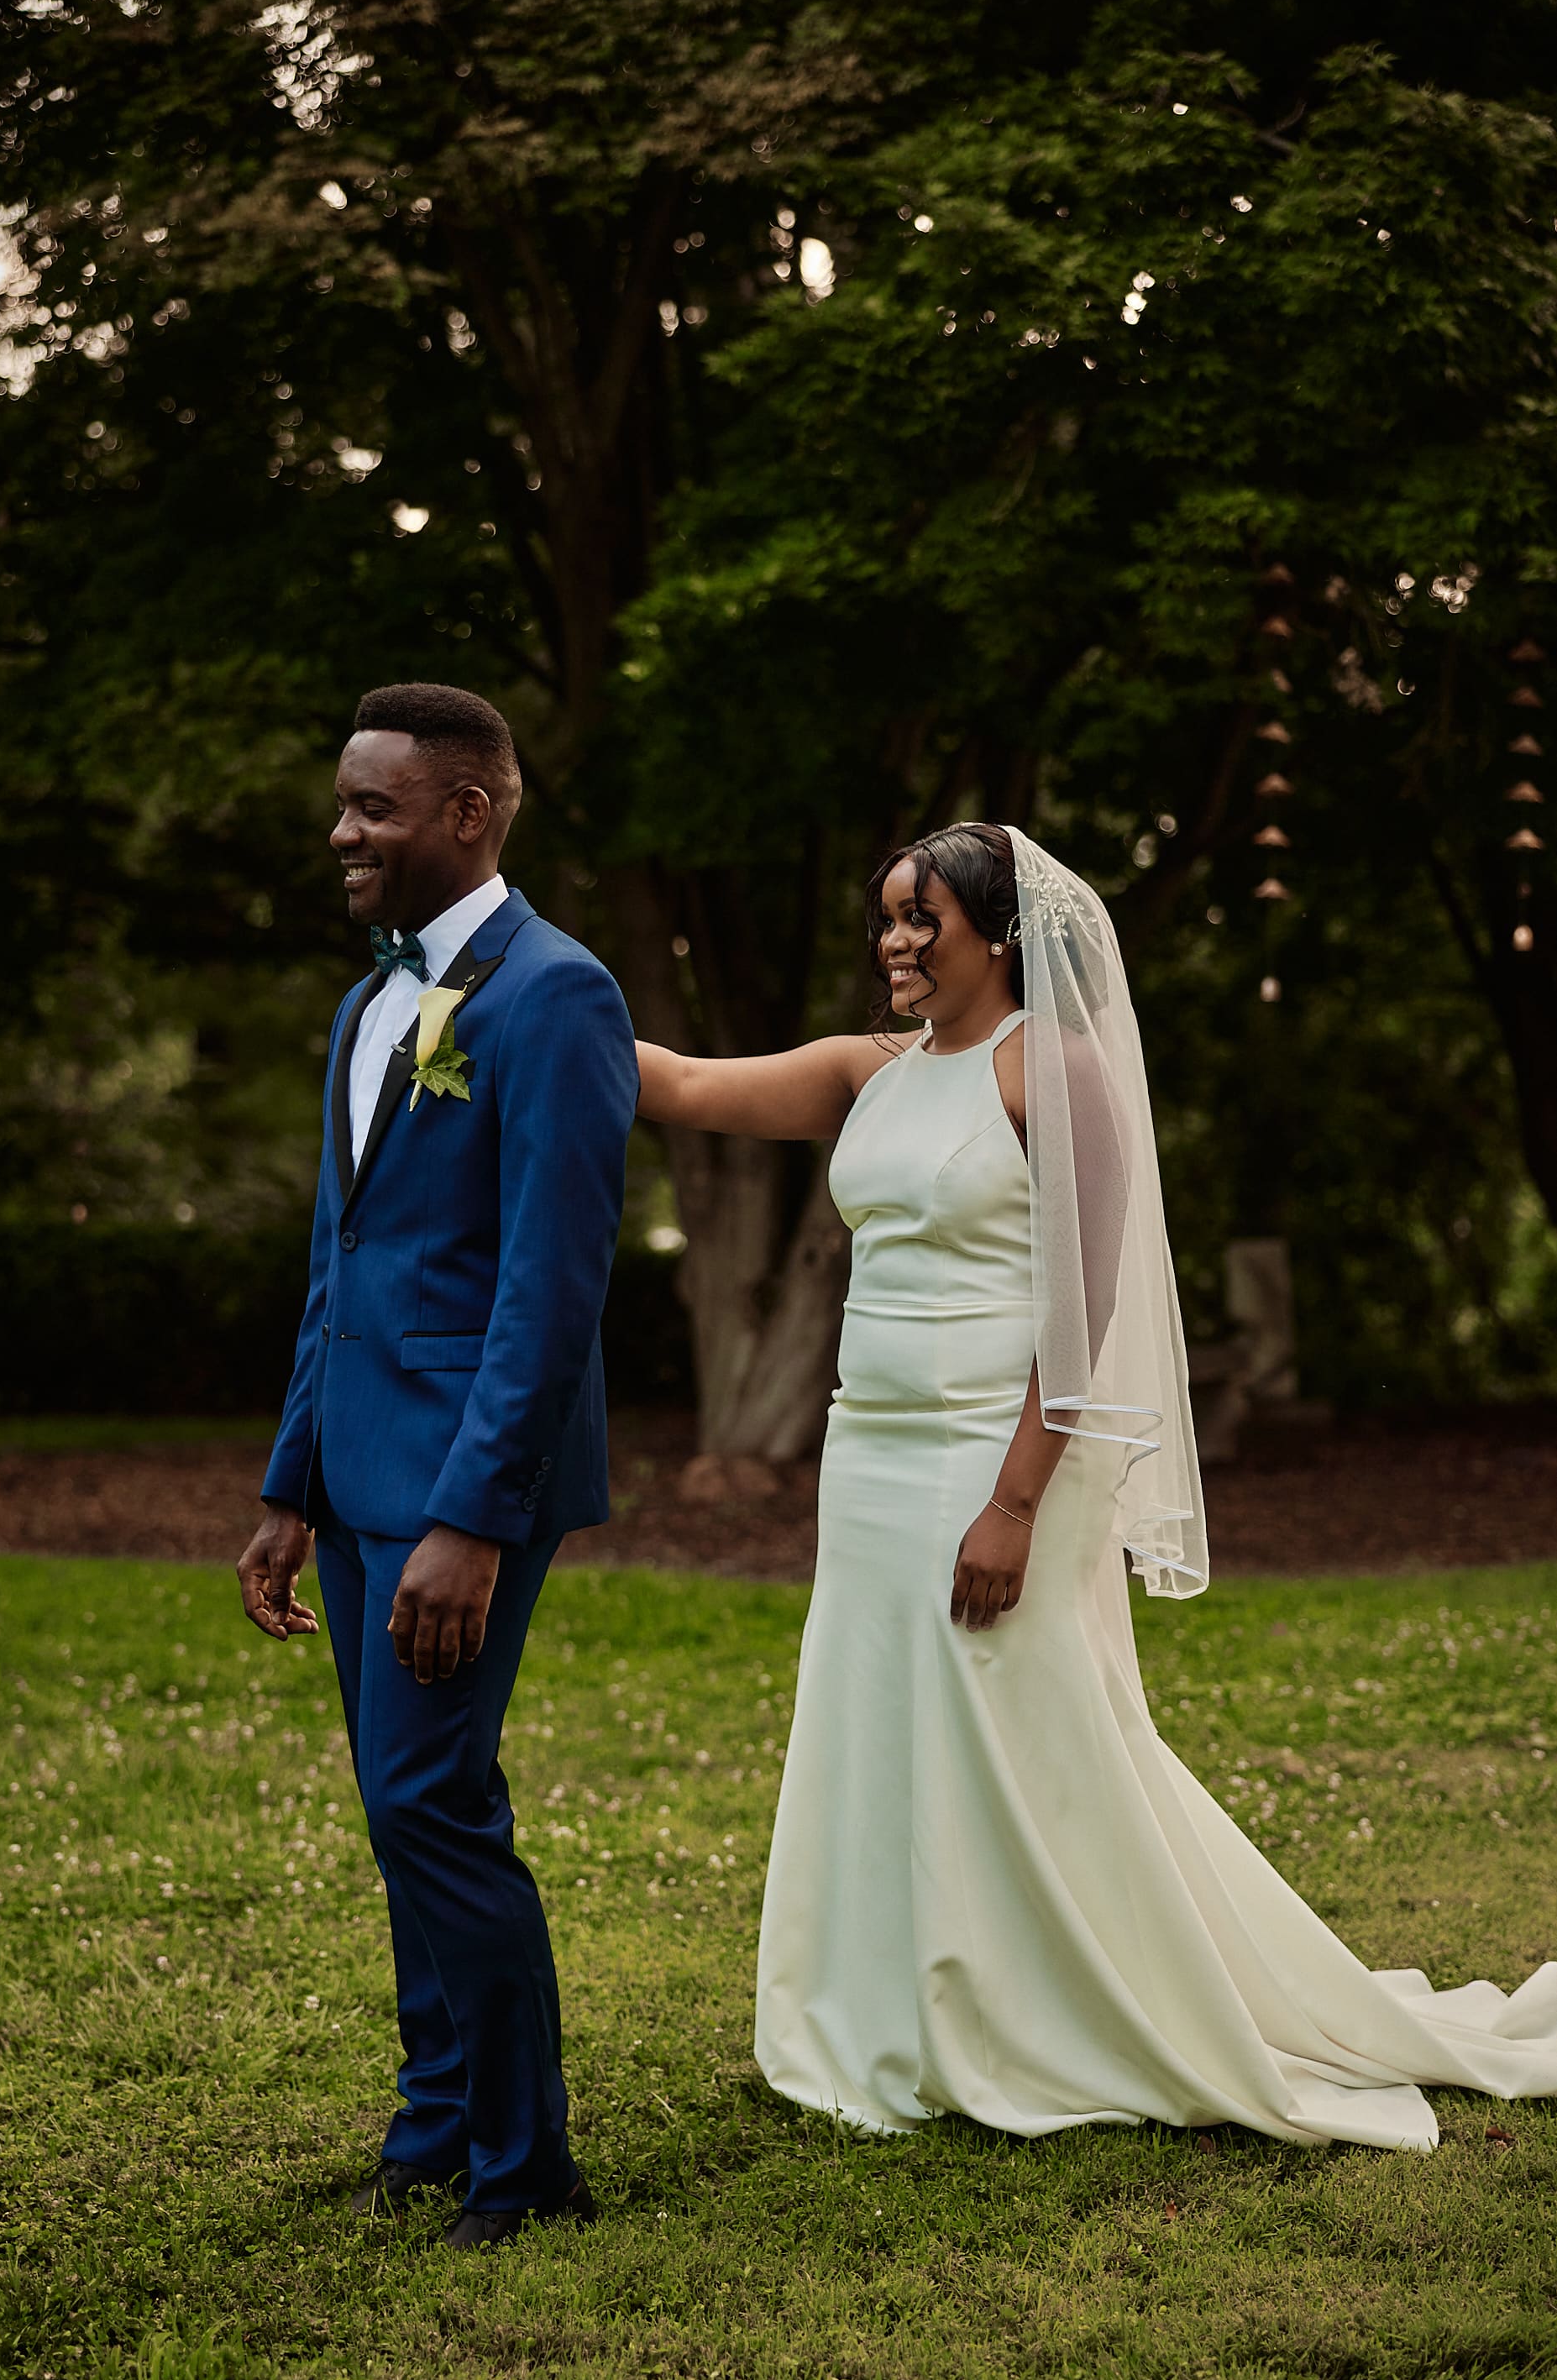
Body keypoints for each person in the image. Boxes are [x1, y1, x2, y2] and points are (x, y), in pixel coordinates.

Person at [636, 820, 1557, 2150]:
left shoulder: (1052, 1073)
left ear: (996, 937)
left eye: (922, 920)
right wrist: (507, 991)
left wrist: (1010, 1505)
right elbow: (673, 1081)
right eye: (887, 917)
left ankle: (1068, 2005)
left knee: (1029, 1735)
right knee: (884, 1721)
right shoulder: (869, 1070)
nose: (895, 941)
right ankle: (895, 2008)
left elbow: (1085, 1315)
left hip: (996, 1466)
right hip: (873, 1456)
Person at [238, 683, 636, 2241]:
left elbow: (553, 1285)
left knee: (429, 1801)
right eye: (344, 803)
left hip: (468, 1486)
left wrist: (472, 1517)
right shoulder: (364, 1005)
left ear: (467, 813)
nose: (342, 830)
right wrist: (290, 1482)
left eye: (374, 808)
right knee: (404, 1800)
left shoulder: (557, 996)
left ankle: (527, 2173)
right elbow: (336, 1264)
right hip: (352, 1474)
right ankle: (435, 2122)